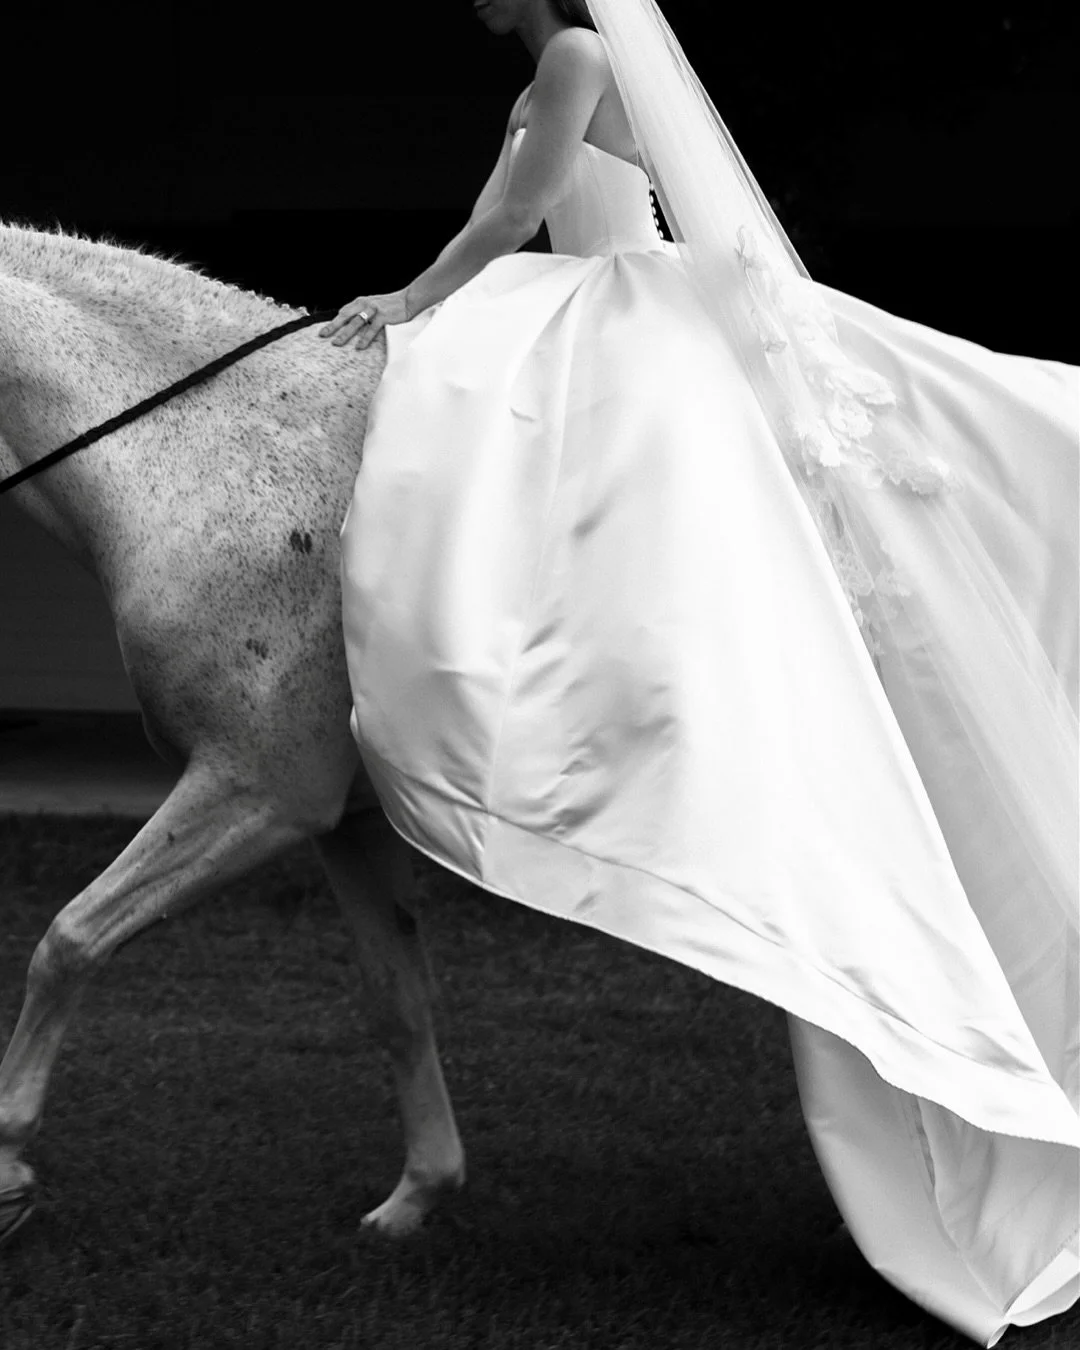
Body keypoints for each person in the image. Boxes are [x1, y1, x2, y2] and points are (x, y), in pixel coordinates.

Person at [319, 1, 1079, 1343]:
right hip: (594, 299)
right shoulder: (566, 58)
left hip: (615, 307)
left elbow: (520, 215)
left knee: (525, 463)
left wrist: (408, 301)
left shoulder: (574, 55)